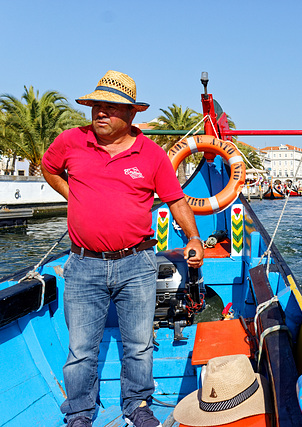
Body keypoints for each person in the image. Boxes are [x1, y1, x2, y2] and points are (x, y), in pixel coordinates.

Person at [41, 70, 205, 427]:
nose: (101, 112)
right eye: (96, 105)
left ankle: (137, 405)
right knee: (81, 349)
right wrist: (73, 196)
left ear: (131, 114)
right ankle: (81, 412)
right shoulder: (71, 141)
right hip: (83, 265)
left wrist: (194, 238)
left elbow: (175, 200)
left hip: (137, 263)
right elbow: (49, 167)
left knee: (139, 344)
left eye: (110, 107)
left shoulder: (152, 155)